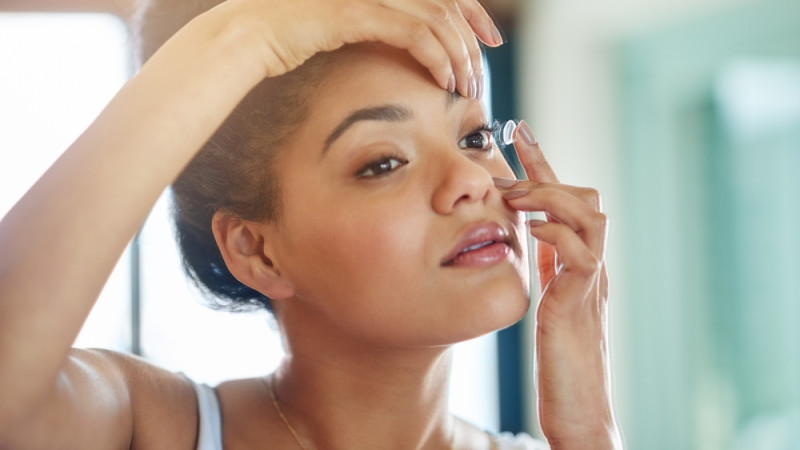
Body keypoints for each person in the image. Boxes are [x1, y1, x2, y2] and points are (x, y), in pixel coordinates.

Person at [0, 0, 622, 448]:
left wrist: (592, 431)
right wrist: (243, 34)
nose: (472, 178)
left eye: (474, 135)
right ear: (257, 251)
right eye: (383, 162)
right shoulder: (157, 430)